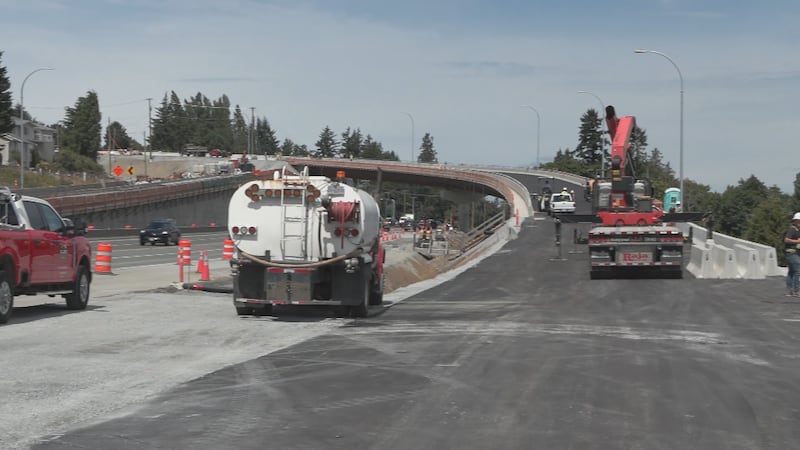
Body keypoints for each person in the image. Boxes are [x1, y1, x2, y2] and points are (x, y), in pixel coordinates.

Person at [783, 212, 800, 296]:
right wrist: (797, 241)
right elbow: (786, 240)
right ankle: (797, 291)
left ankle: (789, 291)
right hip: (791, 253)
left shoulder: (797, 230)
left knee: (791, 272)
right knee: (798, 271)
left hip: (793, 253)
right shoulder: (792, 229)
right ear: (796, 221)